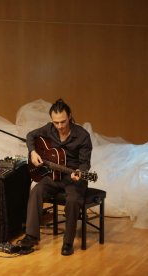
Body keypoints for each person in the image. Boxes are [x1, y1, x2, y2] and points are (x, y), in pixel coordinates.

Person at [19, 98, 92, 256]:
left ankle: (68, 243)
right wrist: (33, 152)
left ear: (70, 116)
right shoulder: (49, 129)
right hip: (53, 175)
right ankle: (31, 236)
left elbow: (85, 164)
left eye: (63, 122)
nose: (59, 126)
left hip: (73, 178)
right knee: (36, 190)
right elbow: (30, 136)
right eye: (56, 122)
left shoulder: (83, 136)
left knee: (72, 201)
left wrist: (80, 173)